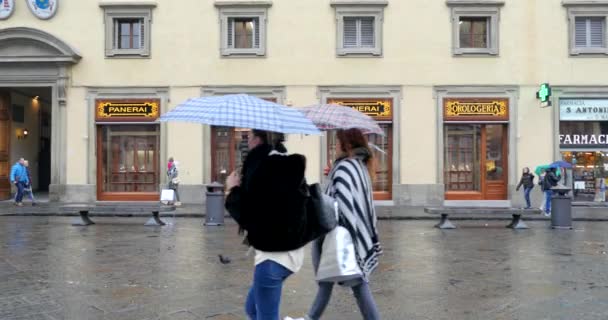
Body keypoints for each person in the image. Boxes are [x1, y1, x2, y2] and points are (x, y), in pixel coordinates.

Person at [288, 128, 383, 320]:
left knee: (355, 283)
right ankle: (311, 318)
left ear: (346, 144)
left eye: (337, 142)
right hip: (352, 233)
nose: (335, 146)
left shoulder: (345, 167)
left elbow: (338, 204)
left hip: (341, 235)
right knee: (330, 279)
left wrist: (327, 184)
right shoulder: (359, 165)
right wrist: (332, 175)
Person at [225, 129, 311, 320]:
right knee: (252, 309)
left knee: (263, 315)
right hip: (291, 254)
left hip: (272, 257)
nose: (247, 142)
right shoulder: (288, 164)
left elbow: (250, 215)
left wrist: (232, 189)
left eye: (249, 137)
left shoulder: (262, 168)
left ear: (257, 139)